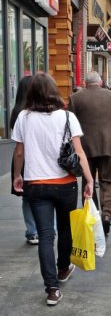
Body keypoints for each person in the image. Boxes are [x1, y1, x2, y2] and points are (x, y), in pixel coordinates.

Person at [12, 73, 94, 306]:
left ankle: (52, 289)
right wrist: (88, 179)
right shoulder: (68, 117)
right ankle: (62, 269)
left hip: (36, 184)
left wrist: (18, 175)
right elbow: (79, 153)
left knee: (46, 235)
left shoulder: (23, 118)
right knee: (65, 230)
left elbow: (19, 152)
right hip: (65, 183)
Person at [68, 71, 111, 236]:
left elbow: (69, 124)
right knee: (108, 182)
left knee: (87, 183)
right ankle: (107, 216)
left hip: (84, 147)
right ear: (100, 83)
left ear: (86, 84)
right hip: (109, 145)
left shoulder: (76, 98)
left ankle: (92, 219)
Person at [10, 76, 39, 245]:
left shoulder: (17, 111)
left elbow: (18, 147)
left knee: (27, 197)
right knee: (40, 195)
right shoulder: (34, 112)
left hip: (22, 158)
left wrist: (16, 173)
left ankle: (32, 232)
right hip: (34, 157)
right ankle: (45, 229)